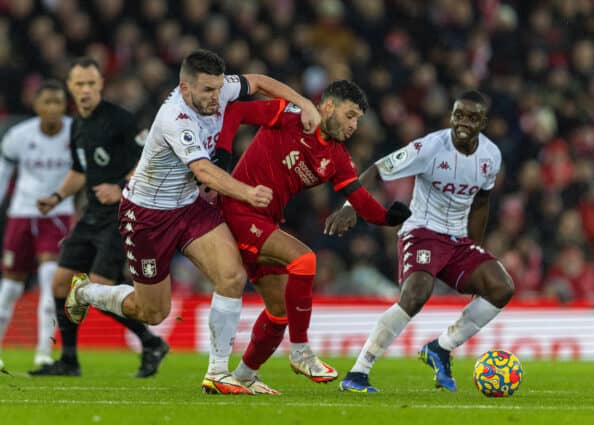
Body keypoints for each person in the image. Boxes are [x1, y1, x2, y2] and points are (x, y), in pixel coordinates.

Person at [64, 49, 323, 394]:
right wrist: (247, 193)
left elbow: (259, 82)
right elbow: (201, 170)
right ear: (185, 89)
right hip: (147, 216)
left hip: (188, 207)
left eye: (218, 89)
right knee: (152, 311)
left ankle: (217, 372)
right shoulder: (175, 116)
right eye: (206, 91)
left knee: (231, 276)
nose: (216, 98)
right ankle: (86, 292)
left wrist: (303, 101)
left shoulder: (221, 89)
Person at [213, 80, 411, 394]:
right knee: (304, 259)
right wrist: (220, 161)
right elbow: (236, 110)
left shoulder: (337, 158)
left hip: (265, 220)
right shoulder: (290, 115)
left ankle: (243, 375)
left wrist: (388, 218)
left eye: (357, 119)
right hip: (238, 208)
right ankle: (301, 350)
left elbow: (360, 200)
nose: (354, 125)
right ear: (328, 106)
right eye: (350, 115)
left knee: (278, 313)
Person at [324, 90, 515, 393]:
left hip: (458, 241)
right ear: (452, 116)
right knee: (416, 294)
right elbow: (377, 169)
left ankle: (441, 347)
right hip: (423, 231)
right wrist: (350, 207)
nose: (463, 122)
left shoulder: (491, 156)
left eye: (471, 117)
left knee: (502, 287)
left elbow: (482, 201)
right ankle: (358, 372)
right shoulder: (430, 147)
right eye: (458, 115)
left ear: (483, 121)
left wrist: (475, 246)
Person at [30, 58, 168, 378]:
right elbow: (80, 171)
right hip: (92, 214)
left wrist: (122, 187)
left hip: (121, 216)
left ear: (101, 84)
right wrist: (56, 198)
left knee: (100, 286)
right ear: (70, 88)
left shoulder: (120, 119)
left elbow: (149, 161)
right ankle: (69, 360)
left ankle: (150, 342)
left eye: (91, 83)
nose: (86, 90)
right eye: (80, 84)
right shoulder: (77, 124)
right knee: (61, 282)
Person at [0, 80, 73, 370]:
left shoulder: (75, 133)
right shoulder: (18, 136)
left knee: (49, 280)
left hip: (57, 216)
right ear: (37, 105)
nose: (54, 108)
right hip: (21, 214)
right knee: (9, 289)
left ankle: (43, 352)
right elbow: (3, 174)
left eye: (59, 102)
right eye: (48, 102)